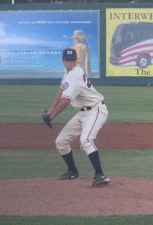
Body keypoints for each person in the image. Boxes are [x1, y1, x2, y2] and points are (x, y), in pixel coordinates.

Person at [44, 48, 109, 187]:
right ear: (63, 61)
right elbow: (62, 90)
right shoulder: (68, 73)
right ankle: (72, 171)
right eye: (67, 60)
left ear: (75, 61)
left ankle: (100, 175)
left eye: (72, 60)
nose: (69, 62)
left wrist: (53, 116)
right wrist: (51, 110)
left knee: (85, 140)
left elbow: (66, 101)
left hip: (96, 110)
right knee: (61, 141)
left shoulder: (74, 75)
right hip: (83, 112)